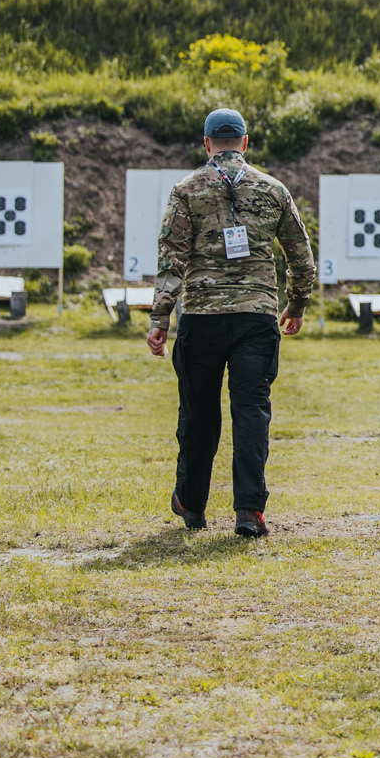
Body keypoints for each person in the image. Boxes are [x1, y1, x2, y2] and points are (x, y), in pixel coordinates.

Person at [147, 107, 315, 539]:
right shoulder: (274, 189)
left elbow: (171, 258)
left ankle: (191, 503)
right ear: (245, 142)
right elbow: (301, 256)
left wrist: (160, 317)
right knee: (251, 411)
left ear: (206, 144)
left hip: (202, 318)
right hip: (257, 318)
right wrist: (295, 306)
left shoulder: (187, 189)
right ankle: (249, 512)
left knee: (199, 413)